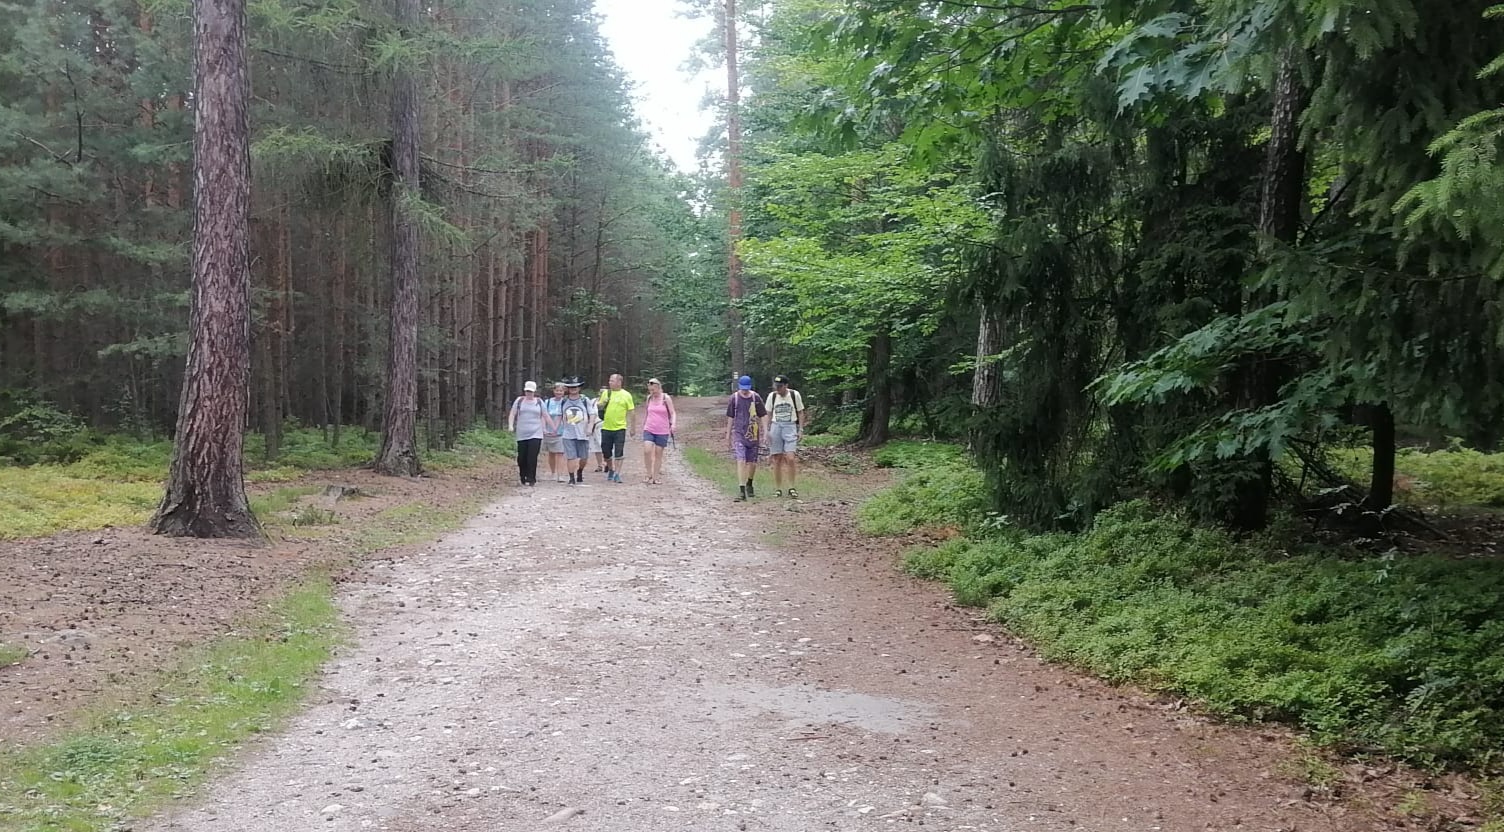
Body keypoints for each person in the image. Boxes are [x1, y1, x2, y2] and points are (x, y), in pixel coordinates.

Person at [724, 375, 767, 502]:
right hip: (739, 433)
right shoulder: (734, 398)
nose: (744, 391)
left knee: (752, 462)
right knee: (741, 460)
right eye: (743, 388)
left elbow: (763, 414)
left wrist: (765, 431)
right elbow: (730, 417)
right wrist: (728, 435)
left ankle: (749, 483)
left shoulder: (755, 398)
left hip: (753, 434)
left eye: (746, 389)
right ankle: (742, 490)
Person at [766, 374, 806, 498]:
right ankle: (778, 488)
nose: (778, 389)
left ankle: (791, 487)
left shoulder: (794, 395)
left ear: (786, 386)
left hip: (790, 426)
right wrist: (767, 430)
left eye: (780, 386)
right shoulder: (772, 396)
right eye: (776, 386)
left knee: (790, 458)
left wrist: (801, 430)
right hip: (776, 426)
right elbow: (768, 413)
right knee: (777, 458)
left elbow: (800, 412)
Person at [596, 373, 637, 483]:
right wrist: (602, 403)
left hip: (620, 428)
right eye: (609, 380)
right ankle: (611, 469)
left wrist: (633, 427)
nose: (609, 382)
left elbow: (632, 411)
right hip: (606, 427)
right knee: (606, 452)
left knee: (619, 452)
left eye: (612, 381)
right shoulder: (606, 393)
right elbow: (599, 406)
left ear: (619, 382)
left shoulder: (626, 395)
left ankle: (617, 474)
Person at [558, 377, 598, 485]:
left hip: (583, 433)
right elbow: (560, 415)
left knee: (584, 457)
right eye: (571, 387)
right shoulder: (564, 401)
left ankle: (580, 470)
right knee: (571, 457)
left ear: (579, 388)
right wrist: (556, 428)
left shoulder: (585, 400)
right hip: (568, 433)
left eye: (575, 387)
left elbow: (592, 414)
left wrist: (590, 426)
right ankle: (572, 478)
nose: (573, 389)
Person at [507, 380, 548, 487]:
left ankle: (531, 478)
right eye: (527, 391)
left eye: (531, 391)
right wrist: (511, 425)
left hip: (536, 433)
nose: (529, 393)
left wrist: (551, 428)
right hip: (522, 433)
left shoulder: (539, 402)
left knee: (532, 456)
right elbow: (512, 413)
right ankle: (523, 475)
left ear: (534, 392)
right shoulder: (519, 401)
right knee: (522, 457)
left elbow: (545, 416)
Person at [640, 378, 676, 485]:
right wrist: (644, 424)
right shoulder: (649, 398)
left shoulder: (666, 398)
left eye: (653, 390)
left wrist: (673, 424)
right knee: (647, 450)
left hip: (662, 430)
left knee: (658, 453)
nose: (652, 392)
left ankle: (655, 477)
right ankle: (648, 474)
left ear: (659, 387)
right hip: (649, 428)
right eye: (650, 390)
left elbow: (673, 413)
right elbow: (647, 412)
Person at [542, 382, 568, 482]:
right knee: (551, 453)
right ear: (553, 391)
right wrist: (544, 428)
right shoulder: (547, 402)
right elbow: (543, 415)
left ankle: (560, 475)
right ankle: (553, 473)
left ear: (564, 392)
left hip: (562, 431)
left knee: (560, 453)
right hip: (548, 431)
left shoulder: (565, 402)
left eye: (561, 391)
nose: (559, 392)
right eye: (557, 390)